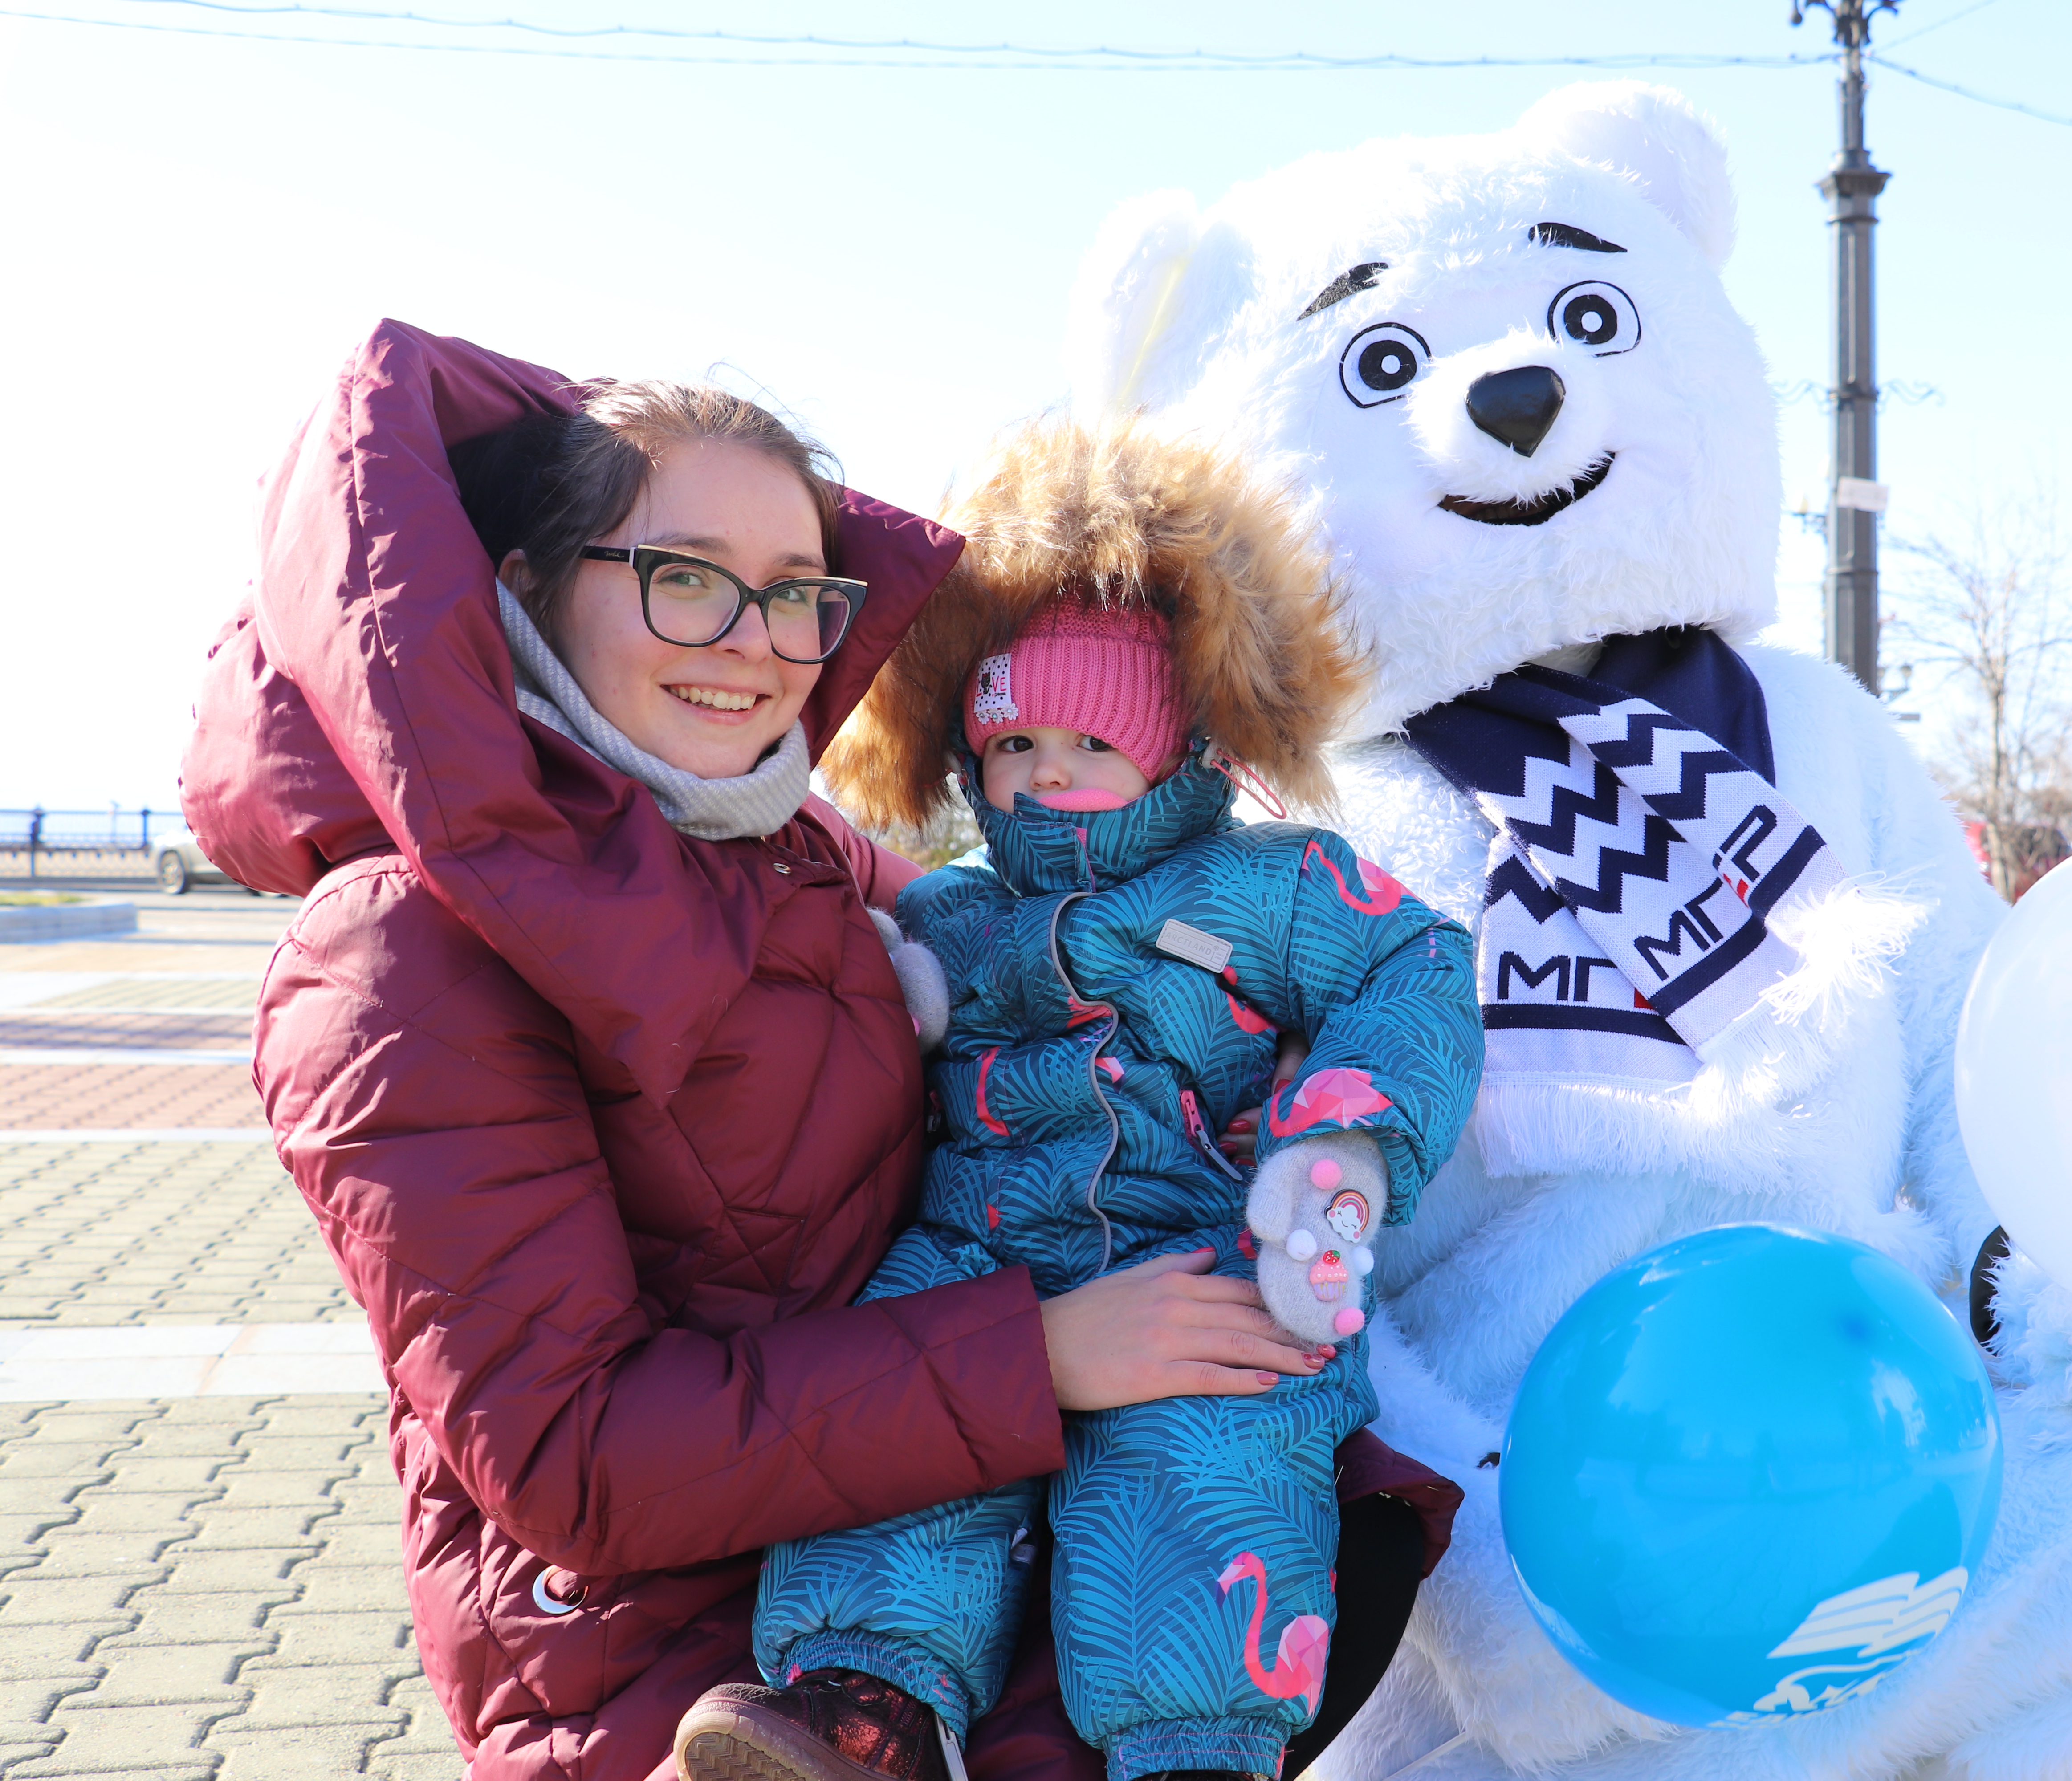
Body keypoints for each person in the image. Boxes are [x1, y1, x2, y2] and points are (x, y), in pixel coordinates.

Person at [179, 322, 1460, 1781]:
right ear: (525, 584)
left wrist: (1283, 1085)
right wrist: (1042, 1358)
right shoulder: (399, 955)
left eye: (798, 596)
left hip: (995, 1549)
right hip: (695, 1678)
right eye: (685, 579)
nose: (757, 645)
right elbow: (572, 1461)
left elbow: (1165, 952)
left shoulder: (768, 845)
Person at [685, 420, 1485, 1781]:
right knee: (903, 1415)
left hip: (1194, 1239)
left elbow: (1415, 970)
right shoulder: (953, 902)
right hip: (977, 1241)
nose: (1044, 773)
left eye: (1091, 741)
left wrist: (1342, 1138)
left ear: (1177, 746)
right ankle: (867, 1704)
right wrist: (889, 988)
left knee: (1214, 1443)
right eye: (1012, 742)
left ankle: (1192, 1748)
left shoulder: (1271, 884)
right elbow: (878, 991)